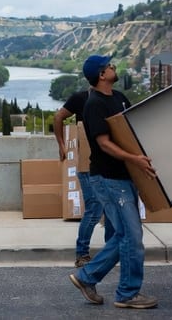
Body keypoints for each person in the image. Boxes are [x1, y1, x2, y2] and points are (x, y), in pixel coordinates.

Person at [68, 54, 158, 309]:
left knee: (124, 235)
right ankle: (127, 294)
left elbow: (131, 131)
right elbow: (104, 144)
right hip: (108, 179)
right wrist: (135, 159)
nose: (113, 67)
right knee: (132, 236)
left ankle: (87, 277)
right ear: (100, 74)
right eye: (108, 65)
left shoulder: (118, 98)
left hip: (124, 176)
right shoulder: (94, 104)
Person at [54, 88, 115, 268]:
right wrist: (62, 145)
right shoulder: (82, 97)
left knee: (111, 206)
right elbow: (58, 117)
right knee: (95, 207)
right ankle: (82, 253)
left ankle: (110, 251)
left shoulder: (114, 97)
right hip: (86, 163)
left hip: (108, 163)